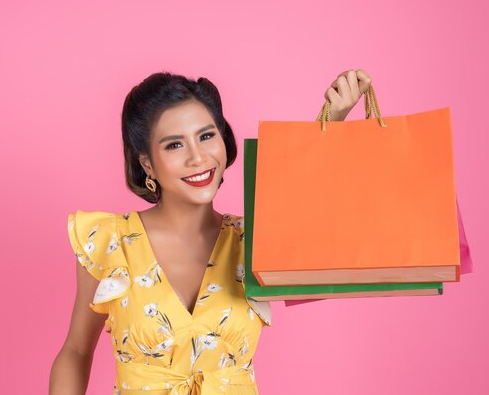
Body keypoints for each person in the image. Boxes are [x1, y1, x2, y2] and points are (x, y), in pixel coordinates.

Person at [50, 70, 372, 395]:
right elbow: (76, 351)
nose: (198, 157)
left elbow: (323, 257)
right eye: (175, 144)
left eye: (206, 136)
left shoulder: (254, 241)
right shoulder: (108, 241)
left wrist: (330, 129)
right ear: (147, 164)